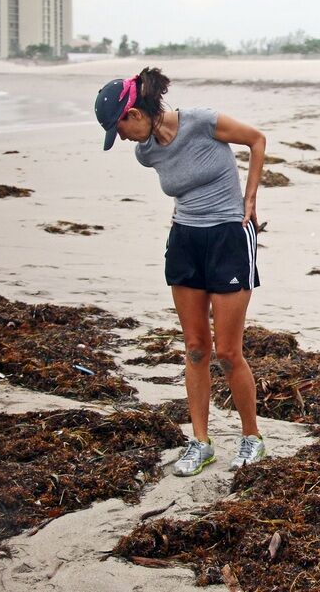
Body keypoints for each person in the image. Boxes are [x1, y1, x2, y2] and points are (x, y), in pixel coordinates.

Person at [94, 67, 268, 476]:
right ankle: (200, 442)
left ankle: (251, 436)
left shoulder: (202, 122)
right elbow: (184, 189)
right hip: (186, 243)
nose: (121, 139)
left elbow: (257, 141)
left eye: (118, 128)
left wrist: (250, 200)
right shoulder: (146, 152)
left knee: (226, 352)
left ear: (134, 113)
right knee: (194, 348)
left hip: (228, 237)